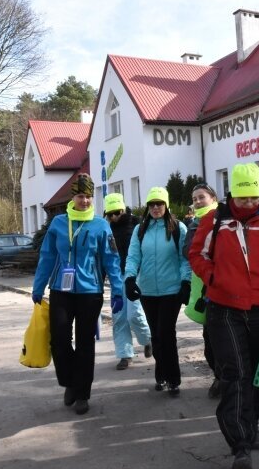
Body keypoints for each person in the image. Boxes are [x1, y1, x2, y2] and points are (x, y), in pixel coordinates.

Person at [189, 162, 259, 469]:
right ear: (232, 195)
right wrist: (214, 278)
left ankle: (250, 426)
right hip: (223, 310)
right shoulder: (215, 220)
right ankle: (240, 445)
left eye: (254, 198)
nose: (249, 204)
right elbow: (196, 254)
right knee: (235, 374)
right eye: (242, 199)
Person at [31, 173, 124, 415]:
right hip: (61, 289)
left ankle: (82, 393)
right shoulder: (59, 223)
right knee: (59, 340)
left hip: (90, 292)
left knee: (85, 344)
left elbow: (111, 260)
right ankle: (70, 382)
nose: (85, 201)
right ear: (73, 197)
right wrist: (38, 286)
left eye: (89, 197)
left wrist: (118, 289)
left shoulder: (100, 225)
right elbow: (47, 256)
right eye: (81, 196)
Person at [124, 186, 191, 396]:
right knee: (156, 336)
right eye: (151, 204)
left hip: (171, 290)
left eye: (159, 204)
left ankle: (173, 378)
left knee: (166, 333)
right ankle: (160, 372)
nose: (155, 208)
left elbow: (184, 258)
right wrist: (129, 278)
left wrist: (186, 282)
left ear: (166, 205)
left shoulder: (177, 228)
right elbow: (134, 256)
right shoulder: (140, 230)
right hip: (148, 291)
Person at [182, 182, 221, 398]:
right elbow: (187, 251)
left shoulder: (222, 219)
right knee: (210, 341)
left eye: (201, 197)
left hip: (221, 285)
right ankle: (219, 376)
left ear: (213, 198)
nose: (197, 201)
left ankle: (227, 380)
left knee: (221, 338)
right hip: (202, 288)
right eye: (195, 198)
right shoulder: (193, 223)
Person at [104, 193, 152, 370]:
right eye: (110, 214)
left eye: (117, 212)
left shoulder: (138, 225)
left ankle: (148, 339)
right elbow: (103, 256)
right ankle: (125, 355)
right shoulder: (106, 229)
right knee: (119, 317)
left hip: (136, 276)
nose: (114, 216)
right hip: (116, 278)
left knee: (134, 314)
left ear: (123, 209)